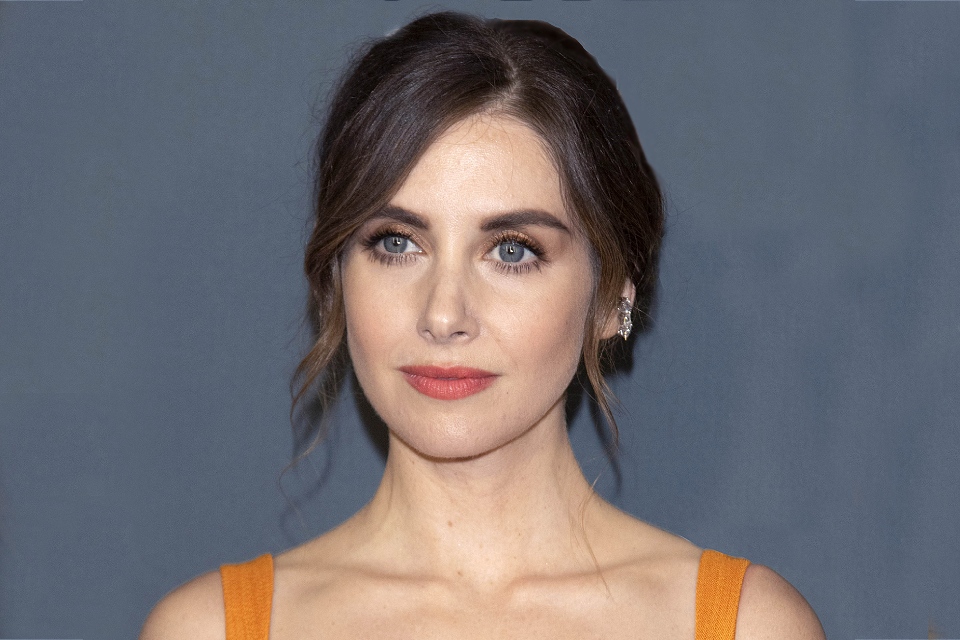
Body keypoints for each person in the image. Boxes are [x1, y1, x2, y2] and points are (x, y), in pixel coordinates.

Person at [140, 11, 825, 639]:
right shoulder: (210, 630)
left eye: (511, 251)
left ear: (610, 297)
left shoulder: (744, 627)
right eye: (396, 243)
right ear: (335, 280)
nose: (443, 315)